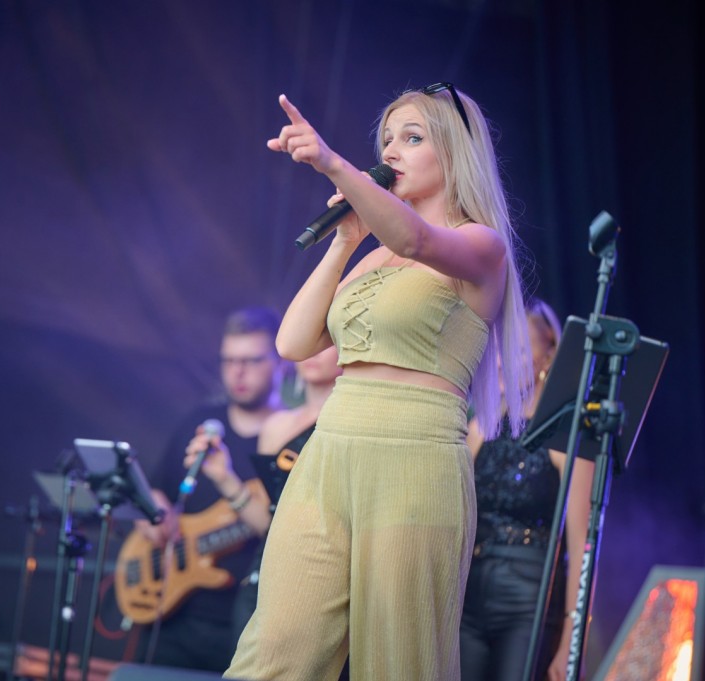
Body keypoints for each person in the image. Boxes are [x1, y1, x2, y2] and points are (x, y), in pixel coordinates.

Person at [225, 83, 533, 681]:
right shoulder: (373, 257)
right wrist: (345, 239)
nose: (390, 152)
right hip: (330, 452)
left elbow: (414, 238)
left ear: (455, 154)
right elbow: (293, 343)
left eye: (412, 138)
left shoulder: (480, 244)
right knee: (275, 650)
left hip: (412, 460)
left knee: (398, 662)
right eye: (386, 139)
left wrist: (332, 162)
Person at [132, 305, 285, 673]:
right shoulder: (199, 422)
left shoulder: (291, 438)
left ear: (281, 363)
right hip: (174, 612)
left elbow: (282, 531)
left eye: (251, 360)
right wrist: (152, 518)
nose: (238, 372)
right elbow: (155, 492)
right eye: (229, 360)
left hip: (245, 621)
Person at [460, 298, 595, 681]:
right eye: (497, 349)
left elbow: (582, 547)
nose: (501, 361)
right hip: (469, 596)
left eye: (517, 350)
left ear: (547, 356)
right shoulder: (479, 428)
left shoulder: (566, 437)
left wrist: (572, 640)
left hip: (529, 601)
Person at [180, 344, 343, 644]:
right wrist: (225, 477)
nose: (313, 351)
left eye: (326, 343)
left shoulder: (350, 426)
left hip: (318, 576)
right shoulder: (275, 426)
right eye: (310, 341)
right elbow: (267, 523)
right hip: (265, 576)